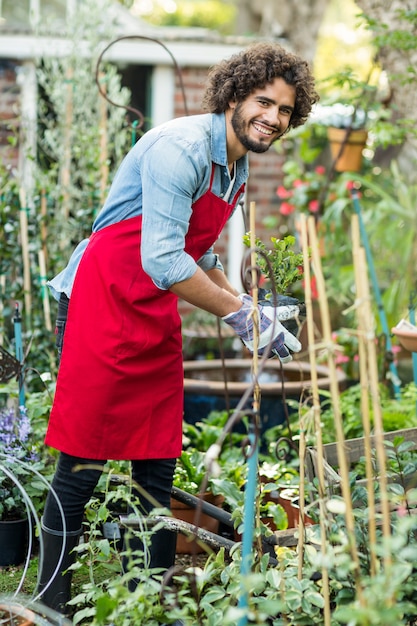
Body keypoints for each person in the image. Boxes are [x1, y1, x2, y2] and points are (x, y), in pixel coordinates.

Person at [36, 41, 319, 614]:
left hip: (151, 309)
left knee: (157, 461)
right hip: (104, 297)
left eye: (286, 110)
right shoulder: (182, 149)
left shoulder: (235, 165)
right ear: (234, 95)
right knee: (82, 463)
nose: (273, 118)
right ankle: (51, 602)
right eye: (264, 102)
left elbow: (202, 252)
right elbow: (164, 261)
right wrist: (238, 315)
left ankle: (148, 600)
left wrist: (251, 312)